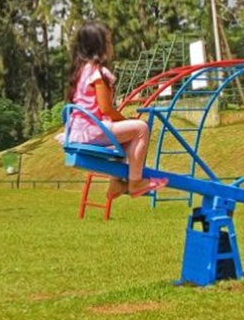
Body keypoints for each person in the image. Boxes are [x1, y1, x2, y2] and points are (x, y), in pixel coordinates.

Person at [63, 20, 167, 198]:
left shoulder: (80, 71)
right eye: (108, 42)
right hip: (91, 131)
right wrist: (128, 120)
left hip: (78, 131)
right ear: (100, 46)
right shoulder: (98, 73)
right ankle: (135, 183)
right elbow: (106, 109)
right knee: (141, 129)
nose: (111, 46)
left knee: (126, 135)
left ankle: (116, 183)